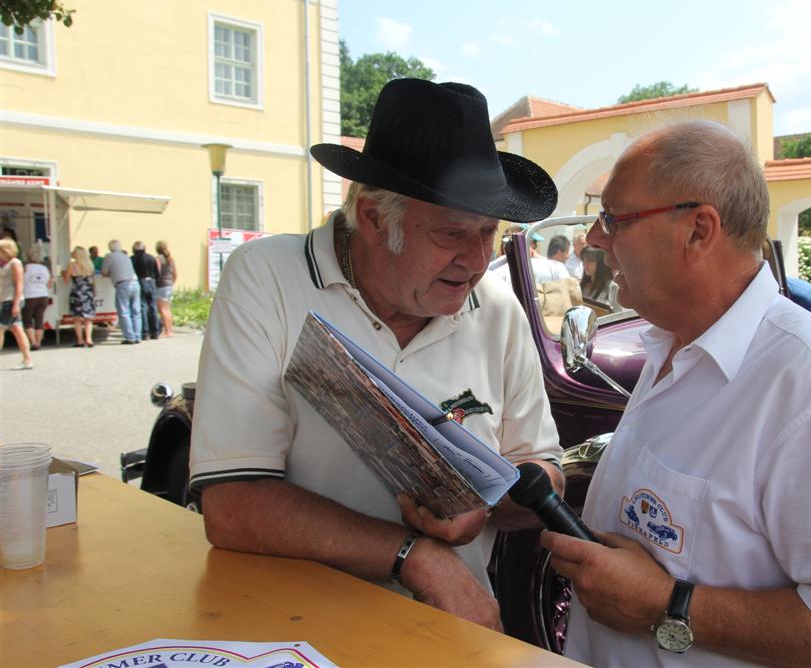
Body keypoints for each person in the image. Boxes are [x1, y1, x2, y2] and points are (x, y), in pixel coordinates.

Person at [539, 120, 811, 667]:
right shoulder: (675, 342)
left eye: (614, 219)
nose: (595, 240)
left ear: (699, 230)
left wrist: (668, 604)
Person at [189, 78, 565, 631]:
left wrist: (486, 507)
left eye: (489, 233)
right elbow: (232, 507)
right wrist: (416, 555)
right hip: (289, 635)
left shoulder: (498, 310)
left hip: (450, 639)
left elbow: (545, 472)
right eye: (450, 233)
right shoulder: (268, 277)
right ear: (371, 217)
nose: (476, 259)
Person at [0, 238, 34, 369]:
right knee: (17, 330)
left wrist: (15, 304)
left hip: (12, 299)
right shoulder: (4, 263)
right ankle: (27, 360)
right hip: (6, 298)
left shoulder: (15, 263)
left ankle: (27, 359)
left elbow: (19, 283)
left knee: (1, 328)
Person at [101, 239, 142, 344]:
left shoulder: (109, 257)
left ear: (110, 248)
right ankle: (138, 336)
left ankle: (130, 337)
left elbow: (104, 272)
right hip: (135, 283)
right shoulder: (125, 256)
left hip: (122, 284)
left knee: (124, 311)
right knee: (136, 311)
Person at [63, 246, 96, 348]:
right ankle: (89, 339)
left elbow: (66, 279)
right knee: (88, 318)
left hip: (77, 293)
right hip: (88, 292)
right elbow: (93, 281)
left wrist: (63, 272)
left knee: (77, 318)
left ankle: (80, 340)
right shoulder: (90, 265)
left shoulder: (72, 265)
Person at [22, 246, 52, 350]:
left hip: (29, 296)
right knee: (39, 320)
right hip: (43, 296)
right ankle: (39, 342)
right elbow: (49, 285)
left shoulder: (25, 268)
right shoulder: (44, 268)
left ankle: (33, 342)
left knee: (27, 320)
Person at [131, 241, 161, 340]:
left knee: (142, 307)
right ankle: (155, 331)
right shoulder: (151, 257)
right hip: (152, 282)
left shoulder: (133, 259)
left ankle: (145, 332)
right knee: (153, 307)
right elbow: (157, 273)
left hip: (140, 281)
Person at [155, 240, 176, 338]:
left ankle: (167, 331)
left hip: (161, 285)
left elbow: (157, 272)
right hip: (169, 284)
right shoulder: (171, 259)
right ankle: (170, 330)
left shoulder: (158, 259)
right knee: (167, 309)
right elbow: (175, 273)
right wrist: (172, 282)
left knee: (162, 309)